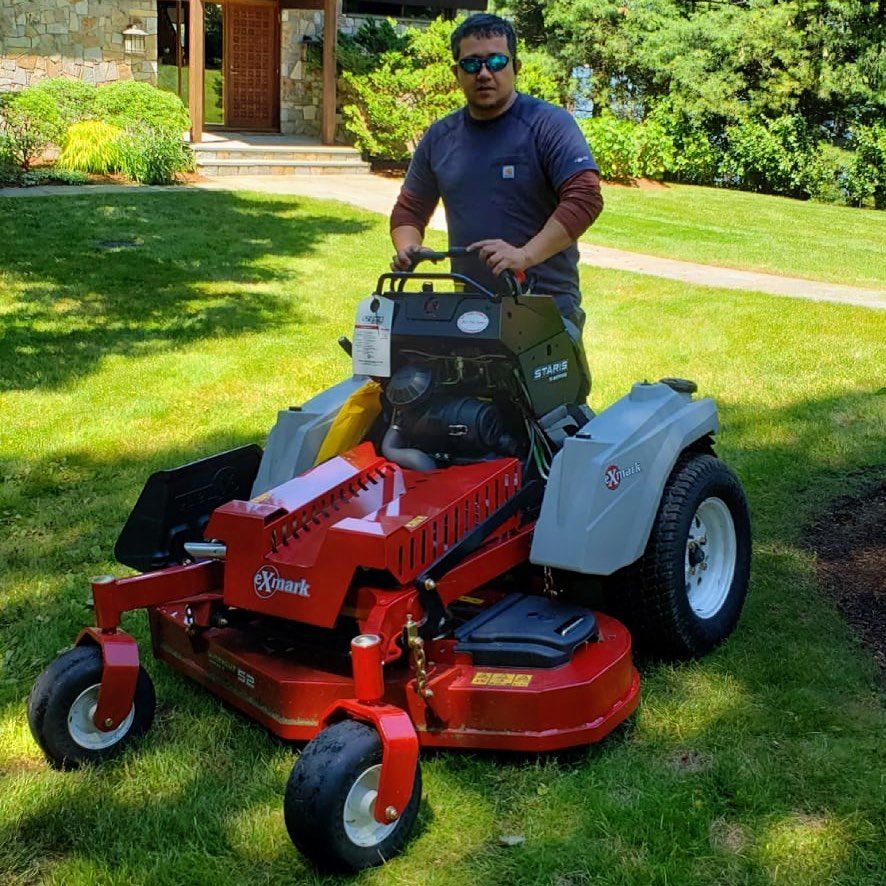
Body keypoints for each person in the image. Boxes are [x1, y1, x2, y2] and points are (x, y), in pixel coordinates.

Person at [390, 13, 603, 332]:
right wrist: (409, 249)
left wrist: (525, 255)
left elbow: (585, 197)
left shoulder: (548, 124)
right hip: (469, 311)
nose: (485, 73)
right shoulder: (440, 137)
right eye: (472, 64)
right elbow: (409, 210)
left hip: (544, 307)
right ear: (456, 72)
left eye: (497, 61)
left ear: (515, 67)